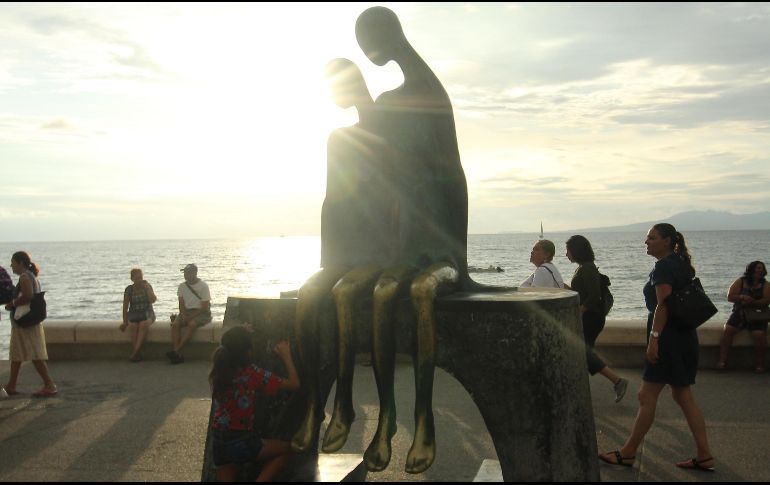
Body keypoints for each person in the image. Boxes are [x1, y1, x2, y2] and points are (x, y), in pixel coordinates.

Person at [290, 58, 396, 457]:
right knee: (306, 298)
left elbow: (401, 197)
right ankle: (316, 403)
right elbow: (333, 199)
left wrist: (395, 252)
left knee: (345, 296)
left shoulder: (392, 130)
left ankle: (350, 407)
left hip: (382, 250)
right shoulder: (338, 138)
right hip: (345, 250)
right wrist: (329, 259)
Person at [599, 223, 715, 472]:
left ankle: (628, 453)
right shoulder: (680, 263)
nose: (646, 242)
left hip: (668, 339)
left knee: (646, 395)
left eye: (651, 238)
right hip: (684, 337)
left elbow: (663, 306)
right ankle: (704, 455)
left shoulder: (664, 266)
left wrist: (654, 340)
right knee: (682, 396)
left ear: (666, 241)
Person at [209, 325, 300, 482]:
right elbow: (294, 384)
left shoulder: (217, 372)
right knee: (290, 449)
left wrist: (241, 331)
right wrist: (286, 355)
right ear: (248, 352)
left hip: (219, 441)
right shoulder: (252, 374)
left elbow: (232, 346)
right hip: (243, 441)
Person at [564, 235, 628, 402]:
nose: (566, 254)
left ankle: (618, 381)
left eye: (568, 250)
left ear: (577, 251)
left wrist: (580, 310)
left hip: (591, 318)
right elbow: (583, 292)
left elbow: (594, 296)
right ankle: (576, 389)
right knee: (582, 352)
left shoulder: (588, 268)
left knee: (582, 352)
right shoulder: (581, 268)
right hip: (588, 317)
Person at [3, 251, 58, 398]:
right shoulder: (32, 276)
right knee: (17, 354)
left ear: (20, 263)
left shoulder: (25, 277)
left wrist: (12, 304)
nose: (11, 265)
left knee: (35, 354)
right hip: (27, 322)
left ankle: (49, 385)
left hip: (25, 323)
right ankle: (11, 385)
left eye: (13, 262)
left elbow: (28, 296)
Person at [717, 260, 769, 373]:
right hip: (740, 313)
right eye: (757, 268)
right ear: (751, 270)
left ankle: (760, 364)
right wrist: (742, 297)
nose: (759, 270)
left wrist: (753, 302)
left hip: (757, 315)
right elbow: (730, 297)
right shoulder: (741, 282)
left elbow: (767, 300)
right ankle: (722, 361)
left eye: (761, 268)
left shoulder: (766, 285)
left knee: (759, 335)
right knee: (728, 330)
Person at [167, 264, 212, 364]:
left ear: (195, 273)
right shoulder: (182, 286)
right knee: (175, 325)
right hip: (186, 311)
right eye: (185, 273)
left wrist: (191, 317)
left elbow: (204, 306)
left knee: (192, 325)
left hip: (200, 312)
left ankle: (176, 351)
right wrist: (183, 315)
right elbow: (181, 303)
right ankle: (177, 354)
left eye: (188, 273)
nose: (185, 275)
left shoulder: (203, 286)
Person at [119, 268, 158, 362]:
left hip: (147, 313)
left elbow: (153, 300)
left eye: (141, 277)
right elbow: (125, 307)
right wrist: (125, 322)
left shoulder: (147, 286)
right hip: (134, 314)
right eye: (137, 278)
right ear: (132, 279)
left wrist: (148, 289)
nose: (139, 280)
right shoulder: (129, 289)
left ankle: (135, 353)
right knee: (132, 326)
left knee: (143, 325)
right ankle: (137, 353)